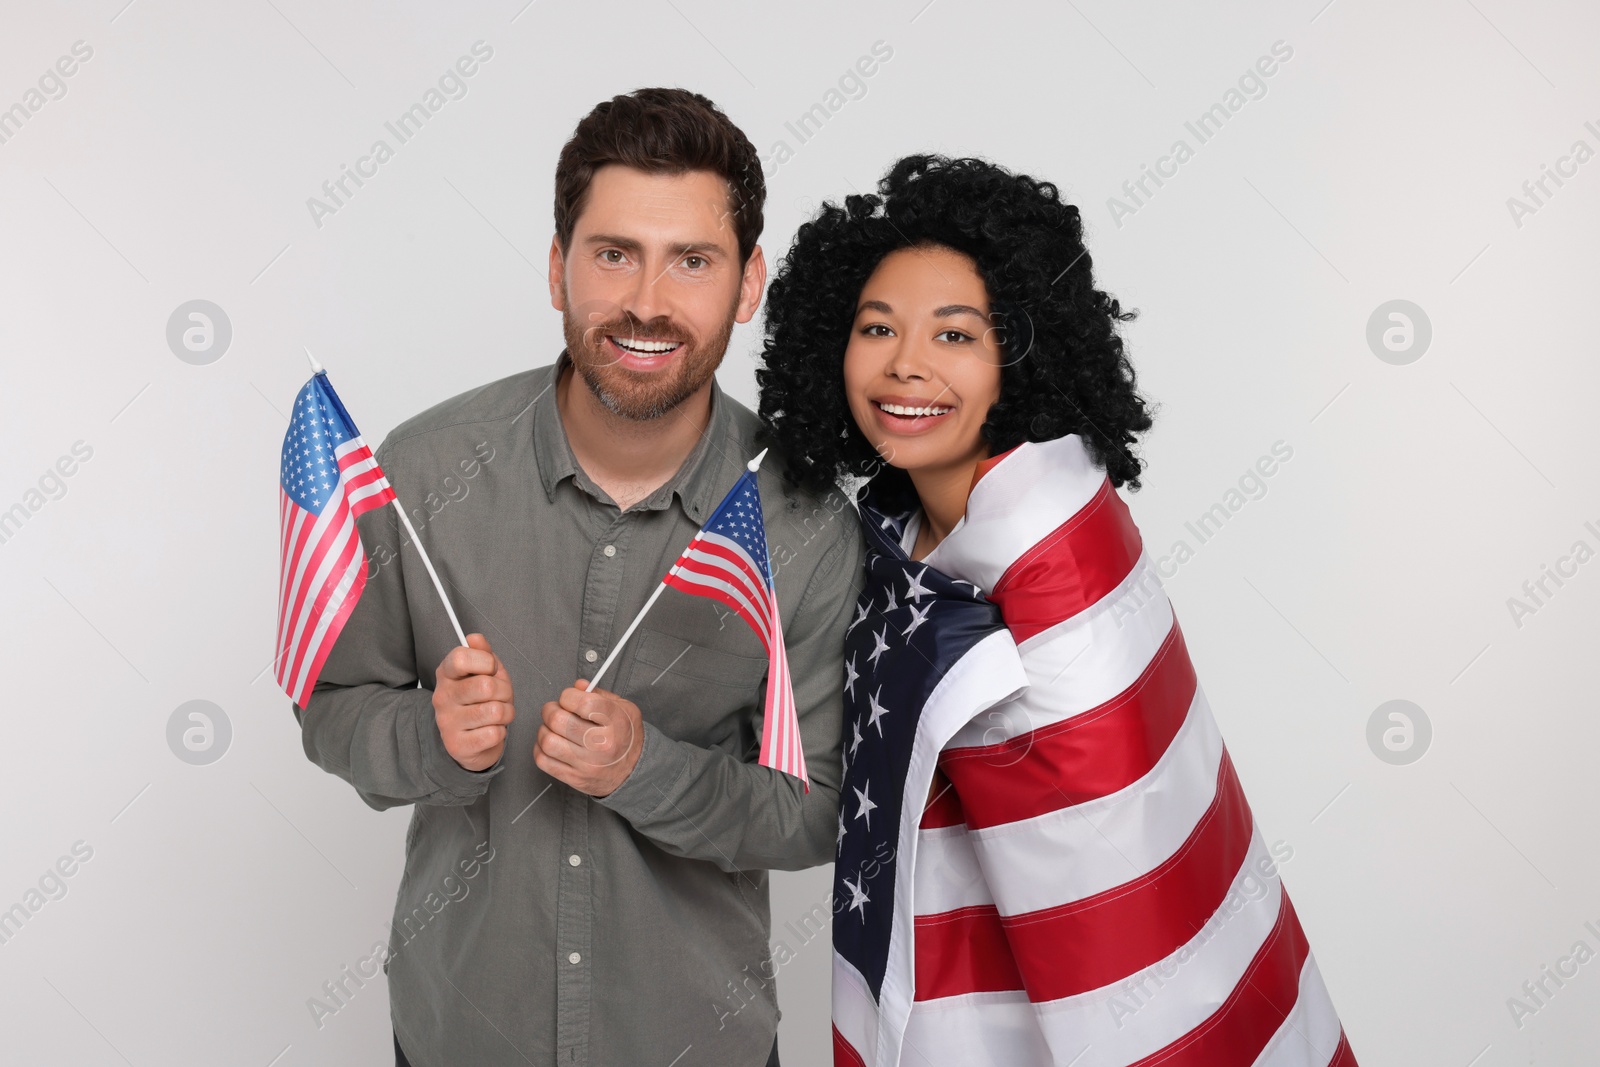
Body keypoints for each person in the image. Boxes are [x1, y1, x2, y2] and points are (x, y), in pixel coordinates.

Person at [295, 88, 863, 1067]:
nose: (648, 300)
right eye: (613, 254)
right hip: (459, 1034)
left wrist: (649, 771)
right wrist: (428, 739)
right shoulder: (424, 471)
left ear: (747, 282)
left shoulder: (802, 524)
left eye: (691, 260)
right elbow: (332, 706)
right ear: (559, 269)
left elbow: (817, 805)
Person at [757, 155, 1358, 1066]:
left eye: (955, 336)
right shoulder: (892, 535)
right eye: (877, 327)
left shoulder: (1061, 563)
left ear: (1019, 354)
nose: (906, 364)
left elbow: (1117, 885)